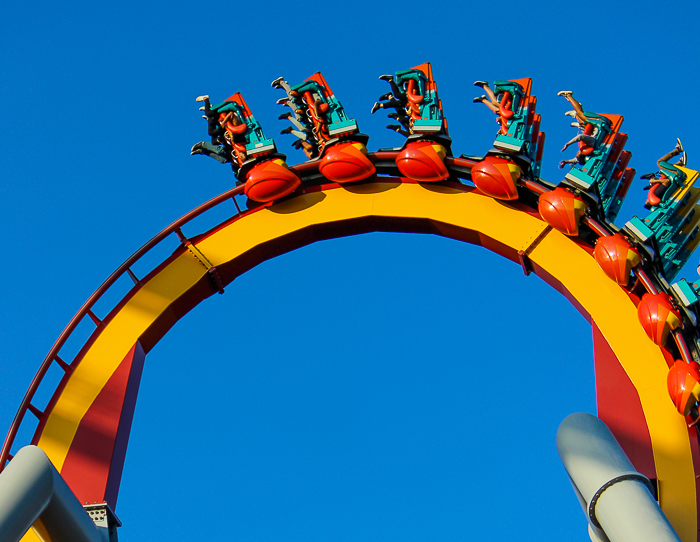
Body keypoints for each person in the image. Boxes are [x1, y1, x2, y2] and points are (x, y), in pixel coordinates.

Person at [641, 139, 687, 208]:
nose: (646, 200)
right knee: (660, 162)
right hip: (676, 176)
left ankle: (680, 163)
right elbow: (666, 181)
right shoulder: (656, 194)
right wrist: (655, 181)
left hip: (674, 177)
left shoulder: (657, 196)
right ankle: (677, 150)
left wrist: (652, 184)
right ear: (648, 203)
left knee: (663, 171)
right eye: (646, 201)